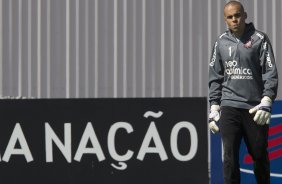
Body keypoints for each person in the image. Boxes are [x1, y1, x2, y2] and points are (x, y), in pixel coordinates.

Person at [208, 1, 278, 184]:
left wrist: (267, 99)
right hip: (229, 105)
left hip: (255, 109)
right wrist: (214, 106)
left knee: (259, 154)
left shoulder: (260, 39)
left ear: (245, 15)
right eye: (230, 17)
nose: (234, 20)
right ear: (225, 19)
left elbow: (270, 72)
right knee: (229, 157)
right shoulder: (220, 42)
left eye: (237, 15)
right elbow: (215, 76)